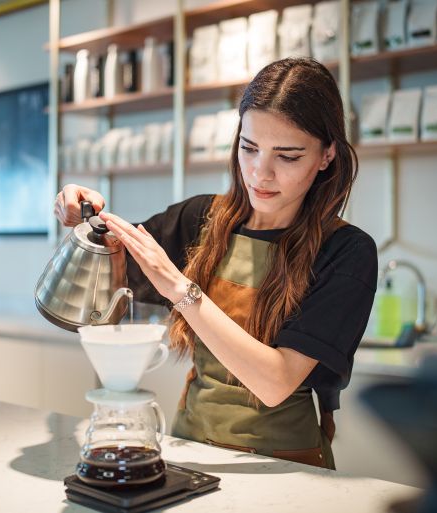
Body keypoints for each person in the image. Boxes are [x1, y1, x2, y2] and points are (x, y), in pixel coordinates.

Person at [54, 58, 377, 470]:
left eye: (288, 157)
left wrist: (182, 290)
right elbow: (97, 287)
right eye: (249, 147)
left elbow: (275, 382)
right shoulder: (201, 220)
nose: (261, 173)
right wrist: (82, 219)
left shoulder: (346, 252)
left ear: (327, 154)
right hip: (190, 455)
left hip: (285, 469)